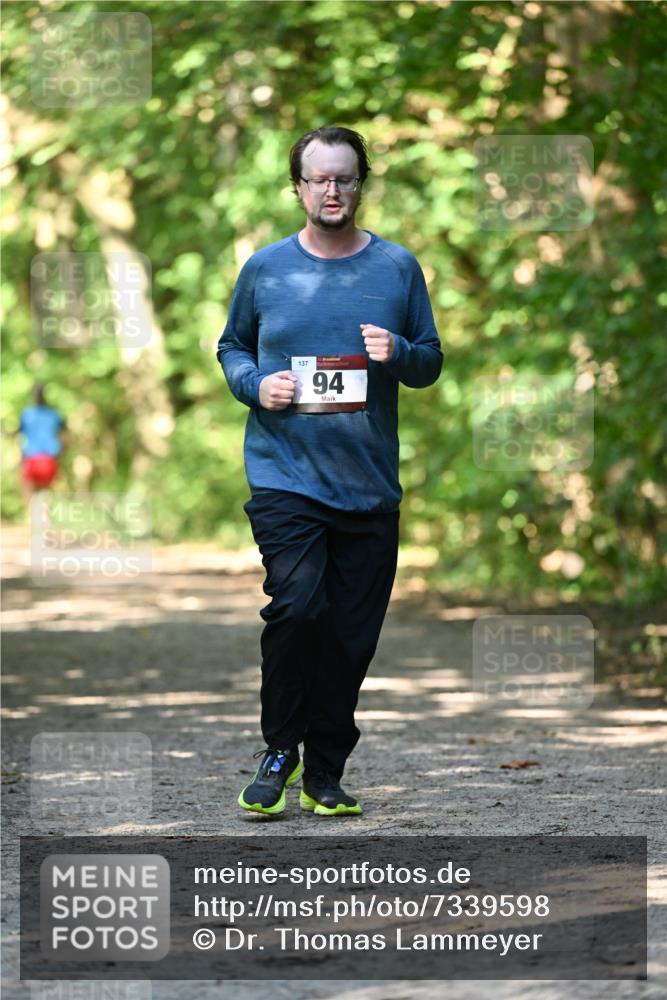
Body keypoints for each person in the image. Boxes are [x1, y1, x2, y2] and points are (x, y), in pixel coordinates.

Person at [217, 125, 443, 817]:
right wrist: (257, 384)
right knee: (297, 607)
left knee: (350, 635)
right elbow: (231, 348)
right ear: (297, 188)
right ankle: (278, 749)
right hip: (285, 474)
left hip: (368, 485)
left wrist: (398, 352)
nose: (331, 189)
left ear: (360, 183)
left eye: (343, 177)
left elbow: (430, 361)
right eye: (318, 178)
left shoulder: (397, 268)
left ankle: (325, 770)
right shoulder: (265, 268)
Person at [18, 384, 65, 495]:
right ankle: (43, 509)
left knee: (28, 491)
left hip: (32, 458)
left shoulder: (26, 414)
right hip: (49, 459)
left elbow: (19, 435)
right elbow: (65, 433)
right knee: (45, 494)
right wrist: (61, 450)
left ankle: (32, 509)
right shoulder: (54, 414)